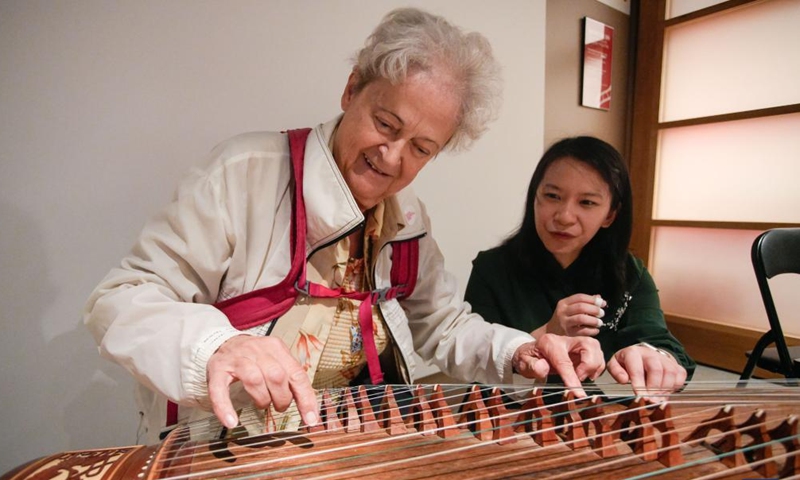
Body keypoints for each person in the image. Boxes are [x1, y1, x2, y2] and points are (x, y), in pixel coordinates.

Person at [84, 8, 605, 444]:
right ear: (352, 88)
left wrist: (518, 349)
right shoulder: (244, 173)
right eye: (386, 124)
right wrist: (218, 346)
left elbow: (442, 324)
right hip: (227, 444)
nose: (392, 157)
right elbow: (122, 299)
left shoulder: (407, 217)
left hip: (346, 443)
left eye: (422, 149)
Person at [465, 136, 695, 400]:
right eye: (552, 196)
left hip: (586, 410)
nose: (563, 216)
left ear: (610, 215)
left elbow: (662, 342)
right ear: (534, 199)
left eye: (586, 202)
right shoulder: (492, 268)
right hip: (503, 414)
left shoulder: (629, 272)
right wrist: (545, 334)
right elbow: (474, 360)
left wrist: (653, 356)